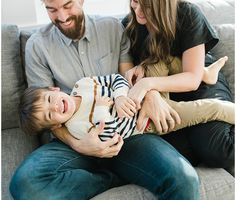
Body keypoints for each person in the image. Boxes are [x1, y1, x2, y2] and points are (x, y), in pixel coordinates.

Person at [10, 0, 200, 200]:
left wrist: (147, 92)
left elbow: (128, 78)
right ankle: (108, 178)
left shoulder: (112, 28)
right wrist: (81, 144)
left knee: (184, 179)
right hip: (73, 140)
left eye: (67, 5)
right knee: (25, 186)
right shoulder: (37, 46)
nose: (61, 16)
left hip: (125, 132)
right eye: (51, 9)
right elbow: (47, 115)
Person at [122, 0, 234, 169]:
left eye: (146, 5)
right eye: (134, 0)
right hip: (167, 96)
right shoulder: (130, 26)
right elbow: (127, 74)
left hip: (201, 83)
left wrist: (147, 85)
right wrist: (151, 93)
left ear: (162, 3)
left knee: (219, 150)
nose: (137, 10)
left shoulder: (187, 14)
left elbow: (192, 79)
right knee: (169, 150)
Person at [19, 63, 234, 139]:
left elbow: (115, 80)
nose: (55, 106)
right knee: (210, 108)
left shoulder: (82, 84)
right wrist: (104, 110)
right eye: (50, 114)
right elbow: (112, 134)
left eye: (49, 99)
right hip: (149, 121)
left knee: (159, 59)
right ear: (55, 125)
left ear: (54, 89)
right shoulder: (76, 127)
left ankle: (204, 74)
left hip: (140, 93)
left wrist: (121, 96)